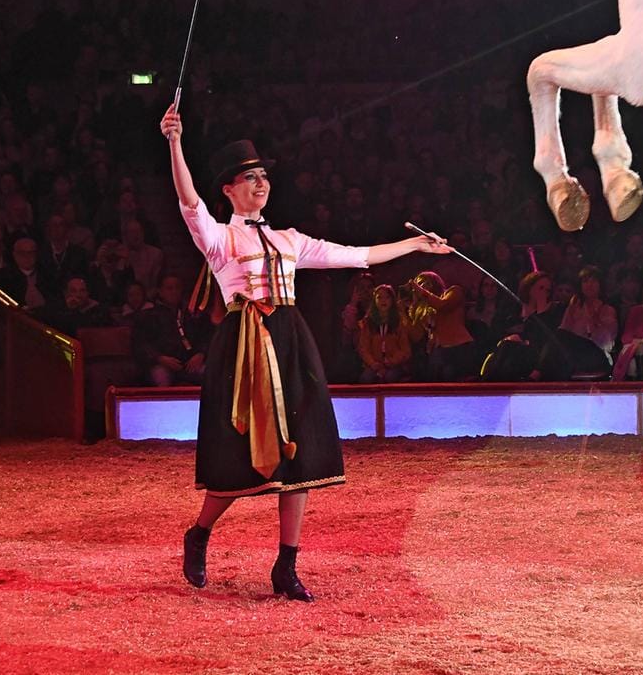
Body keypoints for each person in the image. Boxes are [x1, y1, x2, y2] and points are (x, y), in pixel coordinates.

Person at [162, 102, 447, 602]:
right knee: (237, 458)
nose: (259, 184)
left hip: (290, 342)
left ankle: (286, 567)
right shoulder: (219, 238)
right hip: (243, 346)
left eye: (263, 176)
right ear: (228, 189)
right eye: (248, 178)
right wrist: (174, 142)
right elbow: (188, 202)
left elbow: (355, 255)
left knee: (303, 458)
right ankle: (200, 532)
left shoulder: (290, 239)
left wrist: (417, 248)